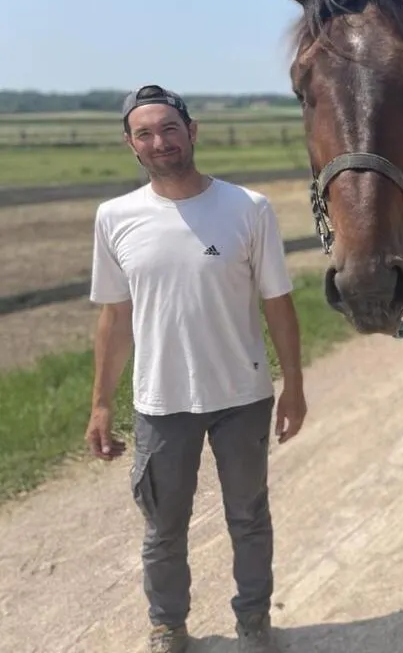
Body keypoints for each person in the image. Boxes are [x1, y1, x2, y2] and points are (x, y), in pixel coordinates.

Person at [84, 84, 308, 653]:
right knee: (163, 528)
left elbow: (278, 304)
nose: (160, 141)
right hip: (161, 402)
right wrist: (101, 403)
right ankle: (168, 626)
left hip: (243, 395)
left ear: (192, 131)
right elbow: (115, 318)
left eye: (169, 128)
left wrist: (294, 386)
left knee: (249, 518)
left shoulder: (248, 208)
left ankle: (254, 622)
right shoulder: (115, 218)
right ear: (131, 144)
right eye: (145, 133)